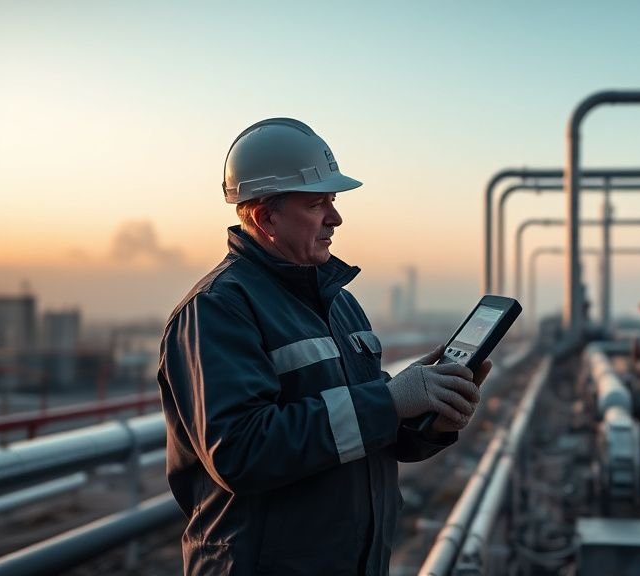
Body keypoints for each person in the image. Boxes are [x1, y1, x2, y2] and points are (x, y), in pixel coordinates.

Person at [157, 117, 490, 575]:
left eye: (332, 201)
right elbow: (241, 452)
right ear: (265, 217)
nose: (336, 218)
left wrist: (429, 418)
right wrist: (390, 400)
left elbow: (364, 435)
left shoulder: (340, 304)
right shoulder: (217, 310)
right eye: (317, 204)